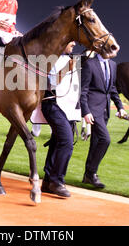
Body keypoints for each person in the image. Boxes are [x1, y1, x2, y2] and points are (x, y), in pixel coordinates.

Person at [80, 51, 126, 189]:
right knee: (105, 140)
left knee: (95, 143)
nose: (115, 51)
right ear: (103, 49)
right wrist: (86, 111)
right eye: (111, 49)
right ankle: (92, 173)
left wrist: (120, 107)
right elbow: (83, 90)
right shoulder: (89, 64)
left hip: (105, 110)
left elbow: (112, 88)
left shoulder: (113, 65)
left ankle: (87, 176)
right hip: (93, 110)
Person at [40, 41, 79, 197]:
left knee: (57, 142)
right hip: (52, 104)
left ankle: (48, 180)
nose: (74, 44)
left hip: (68, 108)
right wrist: (67, 68)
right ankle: (57, 181)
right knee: (67, 143)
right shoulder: (50, 59)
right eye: (71, 41)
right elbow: (51, 83)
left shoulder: (71, 59)